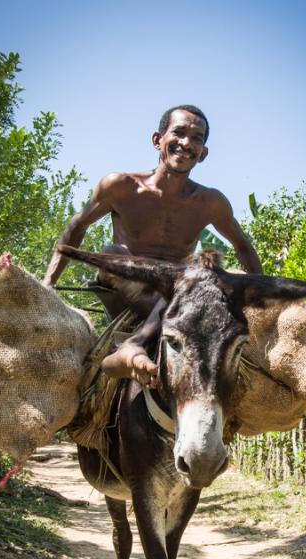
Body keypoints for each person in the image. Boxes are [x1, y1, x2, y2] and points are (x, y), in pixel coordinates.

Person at [43, 105, 263, 386]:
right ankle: (132, 347)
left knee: (203, 274)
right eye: (179, 133)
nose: (186, 143)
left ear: (204, 153)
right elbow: (77, 226)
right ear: (157, 140)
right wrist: (48, 282)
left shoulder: (210, 202)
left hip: (177, 292)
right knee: (113, 255)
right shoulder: (120, 186)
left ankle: (132, 349)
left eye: (197, 138)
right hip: (124, 283)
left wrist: (262, 299)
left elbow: (243, 246)